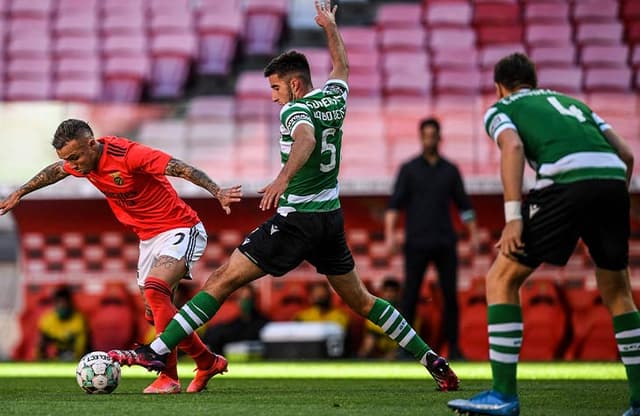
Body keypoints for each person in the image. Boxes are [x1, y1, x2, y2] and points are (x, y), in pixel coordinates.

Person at [108, 0, 459, 392]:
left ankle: (157, 350)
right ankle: (431, 358)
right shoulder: (334, 98)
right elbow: (341, 65)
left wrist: (282, 178)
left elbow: (305, 138)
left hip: (297, 220)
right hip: (329, 218)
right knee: (362, 300)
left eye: (275, 87)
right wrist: (329, 26)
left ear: (293, 84)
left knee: (221, 281)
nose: (274, 97)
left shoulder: (294, 112)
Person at [447, 53, 640, 416]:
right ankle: (639, 400)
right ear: (533, 81)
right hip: (613, 181)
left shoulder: (501, 108)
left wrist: (513, 216)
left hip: (565, 182)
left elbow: (514, 147)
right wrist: (605, 201)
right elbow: (626, 154)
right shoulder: (574, 103)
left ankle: (503, 395)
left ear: (500, 87)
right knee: (619, 293)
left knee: (501, 279)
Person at [0, 119, 242, 394]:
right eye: (68, 159)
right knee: (155, 311)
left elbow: (180, 168)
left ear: (92, 143)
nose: (74, 165)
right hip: (148, 238)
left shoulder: (128, 155)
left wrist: (217, 191)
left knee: (155, 289)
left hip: (180, 227)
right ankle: (203, 362)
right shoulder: (80, 162)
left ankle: (168, 374)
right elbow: (56, 171)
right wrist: (20, 192)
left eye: (76, 157)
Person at [384, 117, 478, 360]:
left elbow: (464, 206)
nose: (429, 139)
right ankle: (405, 349)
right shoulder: (409, 169)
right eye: (425, 135)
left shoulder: (450, 170)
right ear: (421, 137)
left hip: (445, 242)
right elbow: (394, 205)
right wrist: (390, 235)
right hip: (416, 243)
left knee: (450, 298)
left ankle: (454, 348)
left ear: (439, 137)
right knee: (410, 297)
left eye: (433, 135)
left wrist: (474, 234)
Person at [202, 284, 269, 355]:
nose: (244, 302)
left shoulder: (262, 322)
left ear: (253, 300)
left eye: (247, 299)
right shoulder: (235, 322)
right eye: (241, 299)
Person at [38, 285, 88, 361]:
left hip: (73, 359)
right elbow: (40, 345)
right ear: (55, 304)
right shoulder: (47, 320)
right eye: (59, 303)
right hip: (52, 359)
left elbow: (82, 348)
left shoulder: (78, 321)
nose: (62, 306)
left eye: (64, 303)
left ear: (70, 304)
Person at [358, 277, 402, 360]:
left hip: (400, 355)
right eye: (387, 291)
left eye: (393, 291)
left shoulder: (408, 315)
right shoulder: (374, 314)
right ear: (382, 292)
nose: (390, 294)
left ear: (398, 294)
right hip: (379, 354)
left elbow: (408, 343)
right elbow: (369, 341)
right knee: (370, 339)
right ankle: (360, 360)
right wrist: (363, 355)